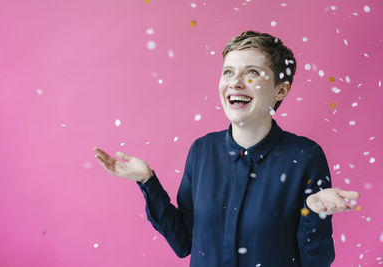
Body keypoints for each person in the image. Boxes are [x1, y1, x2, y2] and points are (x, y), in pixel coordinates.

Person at [93, 30, 360, 267]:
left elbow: (317, 262)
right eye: (228, 71)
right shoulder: (201, 151)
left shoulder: (306, 157)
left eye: (252, 72)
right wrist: (147, 181)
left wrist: (316, 216)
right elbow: (183, 242)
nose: (235, 82)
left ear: (280, 90)